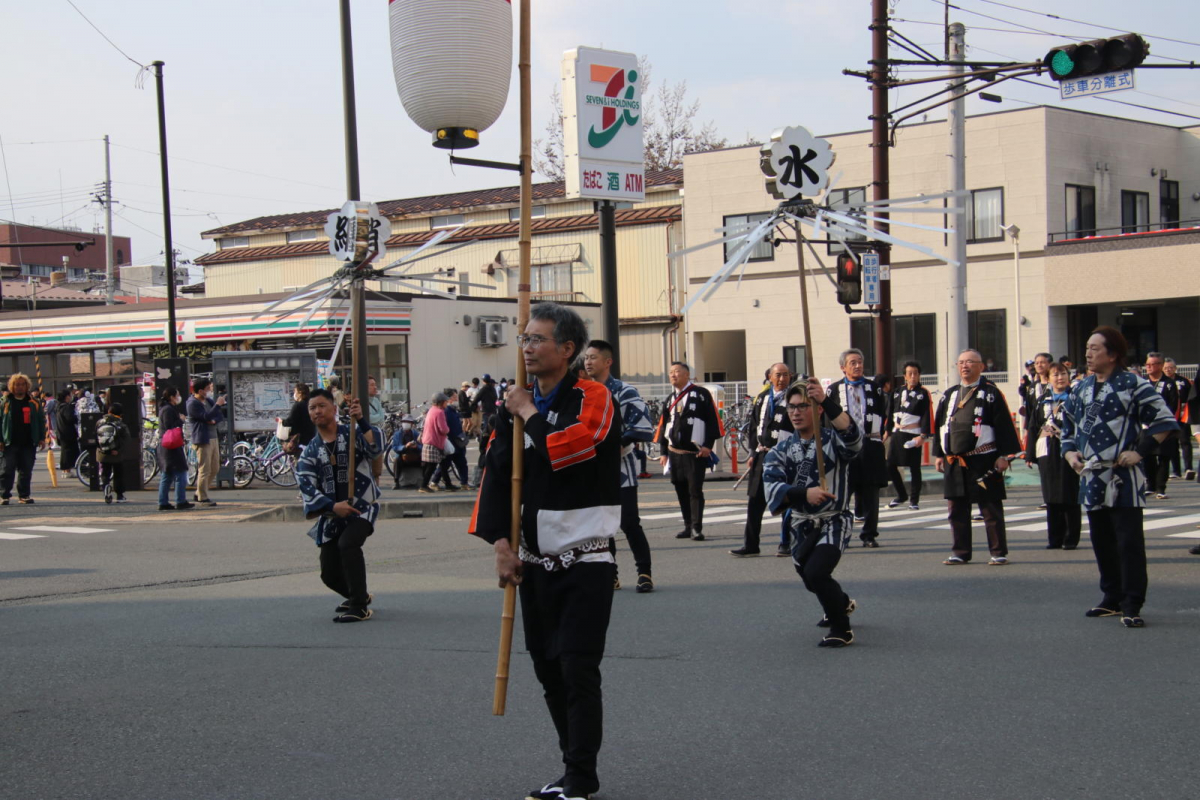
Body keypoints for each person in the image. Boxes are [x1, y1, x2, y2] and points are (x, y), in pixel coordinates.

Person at [469, 302, 621, 800]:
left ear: (568, 349)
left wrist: (528, 412)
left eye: (538, 339)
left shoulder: (592, 396)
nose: (528, 347)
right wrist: (501, 544)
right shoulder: (512, 404)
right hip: (533, 564)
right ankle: (571, 766)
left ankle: (580, 778)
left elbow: (571, 451)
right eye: (525, 339)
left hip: (587, 559)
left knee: (578, 666)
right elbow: (494, 474)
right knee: (547, 668)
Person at [1062, 327, 1178, 627]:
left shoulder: (1133, 384)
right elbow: (1068, 430)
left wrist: (1140, 451)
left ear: (1113, 353)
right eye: (1087, 348)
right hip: (1091, 475)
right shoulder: (1080, 388)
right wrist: (1070, 454)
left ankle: (1132, 603)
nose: (1088, 353)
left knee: (1128, 542)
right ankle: (1111, 597)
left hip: (1123, 476)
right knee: (1101, 540)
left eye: (1095, 348)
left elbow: (1164, 420)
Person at [763, 377, 862, 648]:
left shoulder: (833, 441)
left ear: (816, 409)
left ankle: (841, 629)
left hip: (833, 520)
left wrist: (825, 401)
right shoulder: (781, 449)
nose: (795, 412)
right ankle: (841, 602)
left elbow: (853, 438)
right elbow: (771, 484)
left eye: (803, 406)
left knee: (818, 573)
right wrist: (803, 494)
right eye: (792, 407)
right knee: (810, 579)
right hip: (800, 522)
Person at [297, 389, 380, 623]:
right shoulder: (310, 452)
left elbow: (374, 450)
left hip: (362, 508)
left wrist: (362, 419)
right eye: (312, 408)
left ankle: (359, 606)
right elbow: (307, 486)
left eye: (322, 405)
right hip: (333, 515)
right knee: (329, 574)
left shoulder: (351, 434)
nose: (317, 411)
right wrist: (333, 507)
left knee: (348, 544)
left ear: (334, 408)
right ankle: (358, 594)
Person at [932, 350, 1022, 566]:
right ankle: (960, 552)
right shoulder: (949, 394)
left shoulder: (991, 393)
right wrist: (939, 454)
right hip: (954, 459)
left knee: (990, 508)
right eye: (961, 362)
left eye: (971, 362)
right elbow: (939, 426)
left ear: (981, 366)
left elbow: (1004, 425)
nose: (965, 366)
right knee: (956, 509)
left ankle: (998, 551)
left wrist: (1004, 456)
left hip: (984, 458)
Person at [584, 339, 656, 592]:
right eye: (586, 358)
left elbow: (643, 426)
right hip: (591, 467)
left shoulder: (624, 391)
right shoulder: (581, 392)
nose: (588, 362)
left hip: (620, 467)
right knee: (602, 525)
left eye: (593, 357)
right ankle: (610, 573)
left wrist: (618, 443)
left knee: (628, 522)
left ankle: (644, 573)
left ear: (608, 361)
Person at [730, 362, 794, 557]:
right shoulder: (763, 398)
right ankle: (751, 545)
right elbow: (754, 425)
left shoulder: (795, 398)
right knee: (755, 501)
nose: (782, 379)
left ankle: (786, 543)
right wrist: (752, 452)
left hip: (785, 456)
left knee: (786, 500)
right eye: (778, 375)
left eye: (785, 375)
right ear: (770, 377)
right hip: (762, 454)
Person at [826, 349, 888, 547]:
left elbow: (882, 414)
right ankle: (840, 533)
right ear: (843, 367)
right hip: (844, 447)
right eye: (853, 362)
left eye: (860, 362)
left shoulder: (874, 388)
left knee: (871, 493)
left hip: (870, 445)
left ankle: (869, 534)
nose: (858, 366)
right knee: (843, 493)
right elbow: (827, 420)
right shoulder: (833, 390)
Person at [654, 361, 720, 542]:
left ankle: (697, 528)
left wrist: (708, 445)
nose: (673, 375)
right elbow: (663, 426)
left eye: (677, 372)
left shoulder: (701, 394)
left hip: (695, 453)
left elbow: (713, 421)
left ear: (687, 374)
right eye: (670, 372)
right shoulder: (669, 398)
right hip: (674, 452)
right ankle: (687, 525)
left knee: (695, 491)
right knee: (680, 489)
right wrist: (663, 452)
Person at [1027, 362, 1080, 549]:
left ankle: (1070, 538)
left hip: (1069, 449)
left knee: (1069, 493)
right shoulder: (1042, 400)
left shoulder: (1076, 398)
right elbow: (1033, 426)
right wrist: (1030, 454)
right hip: (1046, 449)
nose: (1060, 378)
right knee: (1050, 494)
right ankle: (1054, 538)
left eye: (1063, 374)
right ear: (1048, 378)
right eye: (1055, 375)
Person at [884, 361, 932, 511]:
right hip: (898, 432)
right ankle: (901, 495)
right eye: (910, 373)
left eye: (915, 373)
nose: (913, 376)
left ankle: (914, 500)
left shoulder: (923, 393)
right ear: (904, 376)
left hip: (913, 434)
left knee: (914, 467)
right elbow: (889, 412)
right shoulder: (897, 392)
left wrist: (923, 435)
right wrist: (886, 430)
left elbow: (926, 415)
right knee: (890, 464)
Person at [0, 373, 47, 505]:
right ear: (11, 386)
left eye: (22, 384)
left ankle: (24, 495)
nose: (20, 387)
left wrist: (42, 438)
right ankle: (4, 495)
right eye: (17, 385)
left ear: (27, 386)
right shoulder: (5, 402)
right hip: (9, 442)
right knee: (6, 470)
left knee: (26, 470)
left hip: (28, 442)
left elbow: (40, 421)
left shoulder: (34, 403)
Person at [1141, 352, 1178, 499]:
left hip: (1163, 425)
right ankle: (1150, 485)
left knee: (1163, 456)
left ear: (1161, 365)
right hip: (1146, 425)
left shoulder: (1169, 383)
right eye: (1147, 364)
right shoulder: (1142, 382)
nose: (1149, 367)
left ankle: (1161, 488)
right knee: (1147, 455)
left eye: (1153, 364)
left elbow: (1173, 404)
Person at [186, 378, 226, 506]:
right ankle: (202, 497)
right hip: (202, 438)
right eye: (207, 388)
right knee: (204, 468)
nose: (209, 391)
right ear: (200, 390)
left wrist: (213, 418)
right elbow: (206, 416)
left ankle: (199, 492)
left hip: (213, 437)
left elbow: (218, 415)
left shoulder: (208, 401)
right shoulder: (192, 403)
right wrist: (217, 405)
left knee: (215, 468)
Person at [156, 386, 194, 511]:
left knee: (167, 474)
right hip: (171, 445)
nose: (179, 397)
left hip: (166, 445)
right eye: (177, 395)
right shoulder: (168, 410)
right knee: (181, 473)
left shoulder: (165, 408)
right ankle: (180, 500)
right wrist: (181, 420)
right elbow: (169, 426)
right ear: (172, 397)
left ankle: (164, 502)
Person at [432, 389, 467, 490]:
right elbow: (444, 428)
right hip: (451, 441)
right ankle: (434, 482)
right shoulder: (445, 411)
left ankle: (464, 483)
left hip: (457, 440)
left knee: (459, 462)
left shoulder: (452, 410)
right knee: (446, 463)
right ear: (448, 399)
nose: (456, 399)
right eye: (454, 397)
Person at [96, 402, 131, 504]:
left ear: (108, 411)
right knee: (118, 474)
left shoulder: (99, 422)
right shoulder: (120, 424)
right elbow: (127, 440)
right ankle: (119, 495)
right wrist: (118, 450)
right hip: (116, 454)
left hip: (103, 453)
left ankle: (106, 486)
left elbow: (95, 437)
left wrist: (101, 449)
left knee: (105, 473)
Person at [1163, 358, 1192, 479]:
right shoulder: (1162, 382)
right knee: (1172, 444)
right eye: (1166, 368)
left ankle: (1188, 468)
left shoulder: (1184, 381)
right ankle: (1176, 471)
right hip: (1168, 416)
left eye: (1171, 367)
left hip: (1183, 416)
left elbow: (1191, 397)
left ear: (1175, 368)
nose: (1168, 370)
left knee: (1185, 441)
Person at [419, 392, 451, 493]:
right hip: (435, 442)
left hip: (428, 440)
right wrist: (448, 430)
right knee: (432, 465)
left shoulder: (432, 410)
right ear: (440, 402)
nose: (447, 403)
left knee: (442, 463)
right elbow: (443, 429)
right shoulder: (440, 412)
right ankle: (423, 486)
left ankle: (448, 484)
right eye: (445, 401)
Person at [54, 387, 80, 480]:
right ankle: (67, 470)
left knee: (64, 452)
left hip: (61, 431)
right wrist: (76, 418)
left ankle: (66, 471)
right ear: (67, 397)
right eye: (70, 395)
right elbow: (70, 419)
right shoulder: (67, 407)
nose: (71, 397)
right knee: (68, 452)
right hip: (68, 432)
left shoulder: (58, 406)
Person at [389, 414, 421, 489]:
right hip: (402, 456)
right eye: (404, 422)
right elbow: (395, 447)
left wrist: (416, 446)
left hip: (415, 456)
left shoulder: (416, 434)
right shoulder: (397, 434)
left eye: (408, 422)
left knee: (426, 460)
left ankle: (425, 483)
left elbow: (422, 446)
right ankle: (396, 482)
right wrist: (405, 446)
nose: (405, 424)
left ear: (412, 424)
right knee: (397, 461)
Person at [281, 383, 317, 449]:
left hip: (300, 439)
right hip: (311, 435)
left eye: (295, 391)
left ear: (300, 393)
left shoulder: (298, 405)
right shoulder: (311, 404)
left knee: (299, 457)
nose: (294, 394)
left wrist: (282, 422)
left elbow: (290, 420)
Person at [366, 376, 386, 482]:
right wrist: (376, 417)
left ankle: (376, 494)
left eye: (375, 384)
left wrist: (375, 417)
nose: (375, 387)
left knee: (377, 471)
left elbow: (381, 417)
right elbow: (368, 418)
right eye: (372, 385)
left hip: (377, 438)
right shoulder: (362, 401)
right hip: (367, 439)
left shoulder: (376, 401)